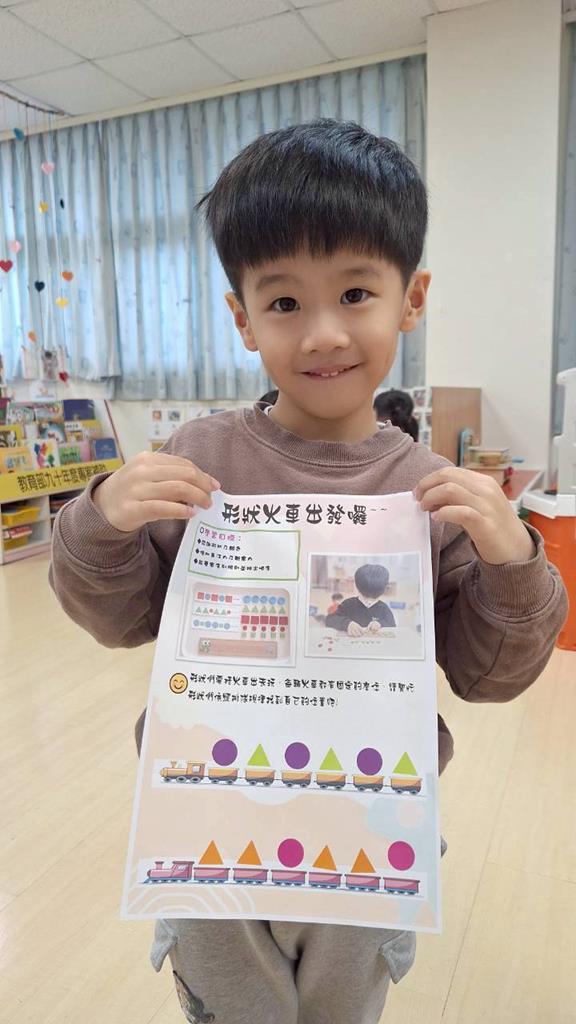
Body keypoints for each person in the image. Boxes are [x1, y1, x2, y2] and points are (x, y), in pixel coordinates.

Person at [50, 119, 567, 1024]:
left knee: (340, 1007)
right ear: (242, 318)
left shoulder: (428, 489)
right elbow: (122, 617)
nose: (324, 333)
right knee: (228, 1004)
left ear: (412, 299)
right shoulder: (200, 456)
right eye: (285, 302)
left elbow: (487, 675)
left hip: (366, 818)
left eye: (356, 292)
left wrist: (515, 561)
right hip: (206, 811)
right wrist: (103, 520)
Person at [326, 564, 395, 636]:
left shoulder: (383, 608)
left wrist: (379, 623)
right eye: (366, 597)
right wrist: (348, 624)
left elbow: (392, 625)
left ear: (356, 586)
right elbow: (330, 619)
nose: (369, 601)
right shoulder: (348, 604)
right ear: (384, 589)